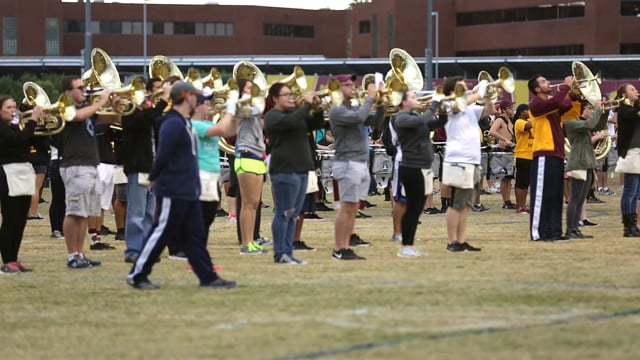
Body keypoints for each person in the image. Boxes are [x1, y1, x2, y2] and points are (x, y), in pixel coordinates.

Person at [127, 81, 235, 290]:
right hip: (173, 189)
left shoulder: (183, 122)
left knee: (195, 236)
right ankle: (137, 274)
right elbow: (163, 153)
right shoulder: (173, 123)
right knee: (161, 233)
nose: (199, 100)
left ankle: (208, 277)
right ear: (187, 97)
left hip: (188, 189)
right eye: (196, 96)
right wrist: (154, 176)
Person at [264, 82, 324, 264]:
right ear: (274, 98)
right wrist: (306, 104)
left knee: (294, 214)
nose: (291, 97)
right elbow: (291, 122)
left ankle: (288, 252)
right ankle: (280, 252)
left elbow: (316, 124)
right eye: (286, 95)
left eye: (291, 94)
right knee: (284, 212)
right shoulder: (272, 116)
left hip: (301, 170)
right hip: (284, 171)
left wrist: (318, 108)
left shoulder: (295, 115)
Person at [56, 75, 110, 268]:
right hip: (75, 166)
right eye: (80, 88)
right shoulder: (65, 108)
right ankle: (72, 255)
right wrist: (101, 102)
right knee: (74, 212)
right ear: (67, 93)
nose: (84, 90)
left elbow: (112, 117)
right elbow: (77, 117)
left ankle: (80, 254)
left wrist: (114, 101)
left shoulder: (86, 109)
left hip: (91, 164)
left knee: (85, 213)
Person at [329, 73, 384, 260]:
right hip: (347, 163)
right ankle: (339, 248)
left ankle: (346, 245)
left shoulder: (355, 106)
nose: (352, 87)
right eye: (347, 85)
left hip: (360, 162)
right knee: (345, 208)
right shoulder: (337, 110)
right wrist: (370, 98)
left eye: (353, 84)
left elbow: (375, 122)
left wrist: (382, 102)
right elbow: (360, 117)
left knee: (353, 208)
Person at [391, 89, 446, 257]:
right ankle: (405, 246)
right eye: (413, 97)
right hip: (411, 167)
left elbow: (439, 122)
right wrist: (435, 102)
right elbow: (424, 119)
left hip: (422, 167)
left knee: (416, 208)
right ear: (404, 102)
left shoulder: (416, 118)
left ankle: (409, 245)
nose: (418, 99)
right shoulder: (400, 118)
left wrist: (444, 108)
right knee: (412, 208)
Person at [121, 77, 169, 263]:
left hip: (152, 167)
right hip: (137, 166)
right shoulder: (130, 112)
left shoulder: (151, 113)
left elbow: (158, 121)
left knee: (150, 213)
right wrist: (163, 99)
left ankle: (147, 248)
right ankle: (133, 250)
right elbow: (144, 119)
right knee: (137, 212)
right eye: (154, 89)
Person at [441, 76, 490, 252]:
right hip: (458, 159)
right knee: (456, 202)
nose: (466, 90)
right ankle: (451, 241)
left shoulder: (469, 107)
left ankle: (461, 241)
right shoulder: (447, 104)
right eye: (461, 88)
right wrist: (478, 93)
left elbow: (488, 111)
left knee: (466, 204)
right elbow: (458, 105)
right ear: (452, 91)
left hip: (472, 159)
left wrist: (488, 97)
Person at [189, 88, 235, 267]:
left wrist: (238, 113)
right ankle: (195, 259)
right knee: (199, 221)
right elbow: (223, 128)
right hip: (200, 177)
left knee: (206, 220)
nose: (209, 105)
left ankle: (200, 257)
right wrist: (231, 109)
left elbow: (230, 129)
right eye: (205, 103)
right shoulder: (194, 125)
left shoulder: (207, 124)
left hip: (211, 177)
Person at [527, 74, 573, 242]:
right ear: (537, 89)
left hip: (557, 154)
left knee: (555, 195)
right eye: (544, 81)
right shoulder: (537, 104)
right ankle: (538, 232)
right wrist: (566, 87)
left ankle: (555, 232)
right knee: (541, 195)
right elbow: (554, 103)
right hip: (544, 154)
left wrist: (574, 95)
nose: (549, 82)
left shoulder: (551, 106)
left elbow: (566, 106)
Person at [0, 96, 37, 273]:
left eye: (14, 107)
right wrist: (33, 122)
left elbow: (33, 142)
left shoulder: (14, 127)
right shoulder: (2, 129)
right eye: (8, 107)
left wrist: (37, 125)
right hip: (8, 175)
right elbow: (18, 140)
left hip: (22, 172)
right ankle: (7, 260)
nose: (13, 110)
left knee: (21, 220)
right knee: (10, 219)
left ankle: (14, 258)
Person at [234, 79, 269, 255]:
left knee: (254, 203)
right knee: (247, 204)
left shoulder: (252, 105)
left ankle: (252, 240)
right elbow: (258, 109)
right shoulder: (242, 106)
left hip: (257, 156)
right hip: (246, 155)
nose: (252, 90)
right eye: (248, 88)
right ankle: (246, 243)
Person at [563, 100, 606, 238]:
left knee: (581, 199)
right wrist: (598, 109)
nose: (592, 111)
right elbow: (590, 124)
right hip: (578, 163)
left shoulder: (582, 124)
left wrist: (604, 110)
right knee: (574, 198)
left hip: (587, 163)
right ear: (581, 110)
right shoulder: (571, 123)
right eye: (589, 109)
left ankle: (576, 229)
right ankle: (570, 229)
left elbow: (598, 124)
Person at [614, 83, 640, 237]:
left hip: (638, 152)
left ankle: (633, 225)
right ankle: (627, 227)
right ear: (624, 95)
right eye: (632, 89)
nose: (636, 90)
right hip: (631, 153)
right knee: (629, 192)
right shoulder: (624, 109)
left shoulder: (633, 108)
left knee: (636, 193)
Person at [489, 98, 516, 209]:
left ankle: (508, 200)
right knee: (505, 177)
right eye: (510, 107)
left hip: (510, 150)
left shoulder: (510, 120)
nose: (513, 109)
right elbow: (492, 131)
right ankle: (506, 201)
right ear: (504, 109)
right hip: (503, 151)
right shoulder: (500, 120)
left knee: (509, 177)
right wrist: (505, 140)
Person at [513, 104, 533, 214]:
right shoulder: (519, 122)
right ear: (521, 112)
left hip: (532, 155)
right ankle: (519, 206)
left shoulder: (531, 121)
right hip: (523, 155)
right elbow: (528, 126)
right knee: (520, 182)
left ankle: (524, 205)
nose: (530, 112)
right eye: (528, 110)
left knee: (526, 183)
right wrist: (538, 117)